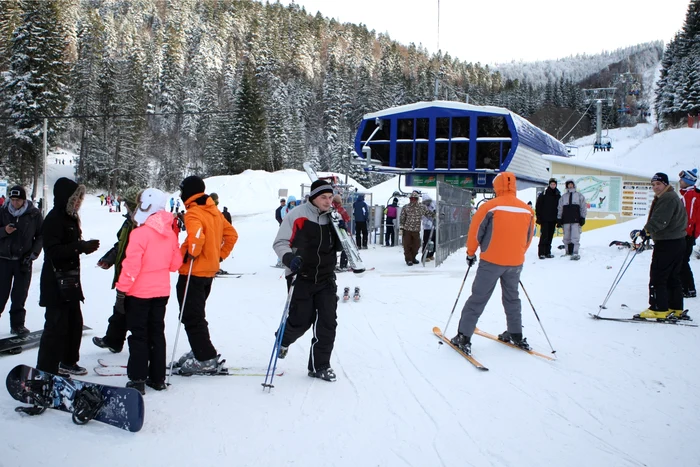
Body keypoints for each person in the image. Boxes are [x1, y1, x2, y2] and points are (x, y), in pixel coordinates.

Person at [451, 172, 535, 355]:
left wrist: (471, 252)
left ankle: (463, 336)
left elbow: (476, 231)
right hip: (515, 263)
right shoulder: (527, 210)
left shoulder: (490, 206)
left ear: (497, 186)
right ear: (514, 186)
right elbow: (529, 236)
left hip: (491, 260)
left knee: (478, 297)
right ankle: (516, 333)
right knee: (512, 298)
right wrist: (519, 253)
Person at [272, 180, 342, 382]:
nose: (328, 202)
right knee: (301, 321)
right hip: (301, 276)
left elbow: (341, 245)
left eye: (330, 198)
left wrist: (341, 231)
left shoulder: (333, 217)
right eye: (324, 198)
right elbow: (280, 242)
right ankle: (283, 339)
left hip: (326, 277)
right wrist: (289, 259)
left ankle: (320, 365)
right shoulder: (297, 215)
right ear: (313, 197)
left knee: (328, 323)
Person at [115, 188, 182, 394]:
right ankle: (157, 377)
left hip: (139, 293)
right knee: (156, 333)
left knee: (139, 335)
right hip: (161, 292)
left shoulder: (140, 234)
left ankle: (137, 379)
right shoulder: (169, 233)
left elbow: (131, 267)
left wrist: (121, 291)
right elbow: (175, 264)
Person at [171, 176, 238, 374]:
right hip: (207, 272)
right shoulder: (214, 211)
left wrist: (191, 251)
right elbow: (232, 235)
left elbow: (196, 237)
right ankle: (200, 349)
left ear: (189, 192)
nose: (181, 195)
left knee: (191, 315)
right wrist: (218, 257)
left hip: (192, 271)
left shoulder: (193, 213)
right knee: (195, 314)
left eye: (182, 191)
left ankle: (206, 357)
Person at [36, 178, 100, 376]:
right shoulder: (54, 218)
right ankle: (46, 370)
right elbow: (52, 250)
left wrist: (82, 248)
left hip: (69, 281)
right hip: (55, 282)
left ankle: (68, 361)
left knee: (74, 324)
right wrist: (79, 247)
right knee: (55, 327)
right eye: (76, 198)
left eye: (81, 198)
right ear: (67, 198)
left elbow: (68, 247)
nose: (79, 202)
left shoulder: (70, 217)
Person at [92, 186, 141, 353]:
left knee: (128, 310)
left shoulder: (141, 225)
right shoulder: (128, 222)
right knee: (120, 308)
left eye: (127, 204)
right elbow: (120, 245)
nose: (125, 206)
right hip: (125, 274)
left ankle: (139, 345)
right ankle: (114, 340)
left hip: (136, 277)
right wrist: (109, 259)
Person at [636, 173, 688, 319]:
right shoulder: (671, 196)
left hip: (668, 242)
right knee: (672, 276)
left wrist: (646, 231)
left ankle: (658, 308)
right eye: (653, 185)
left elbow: (661, 219)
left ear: (665, 184)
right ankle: (675, 307)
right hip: (677, 241)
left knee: (658, 275)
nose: (655, 187)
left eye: (658, 184)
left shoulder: (667, 198)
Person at [0, 185, 43, 335]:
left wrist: (34, 252)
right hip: (4, 259)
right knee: (1, 293)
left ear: (24, 200)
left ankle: (17, 325)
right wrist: (4, 231)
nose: (14, 203)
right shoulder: (3, 211)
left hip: (23, 260)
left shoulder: (34, 214)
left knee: (19, 295)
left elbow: (40, 235)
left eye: (18, 200)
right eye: (12, 200)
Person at [678, 169, 700, 298]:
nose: (680, 181)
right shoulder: (689, 194)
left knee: (682, 261)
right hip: (689, 233)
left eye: (682, 179)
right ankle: (687, 287)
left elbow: (689, 216)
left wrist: (685, 232)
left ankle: (688, 288)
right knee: (682, 260)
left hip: (687, 234)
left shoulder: (690, 195)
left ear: (687, 181)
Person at [399, 191, 435, 266]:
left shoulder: (421, 207)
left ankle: (413, 257)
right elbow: (402, 218)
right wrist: (401, 228)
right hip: (407, 230)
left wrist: (435, 214)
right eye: (411, 198)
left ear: (417, 199)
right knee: (407, 245)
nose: (413, 200)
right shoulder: (406, 207)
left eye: (414, 198)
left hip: (416, 230)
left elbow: (428, 213)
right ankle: (408, 259)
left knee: (416, 245)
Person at [557, 179, 587, 260]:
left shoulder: (579, 196)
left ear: (574, 185)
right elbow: (560, 208)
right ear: (566, 186)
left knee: (575, 237)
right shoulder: (563, 197)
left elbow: (583, 207)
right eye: (568, 184)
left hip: (576, 220)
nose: (570, 186)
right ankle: (567, 252)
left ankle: (575, 252)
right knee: (566, 237)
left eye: (571, 184)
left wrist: (582, 217)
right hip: (566, 220)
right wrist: (559, 219)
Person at [535, 178, 561, 259]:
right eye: (551, 184)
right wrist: (539, 217)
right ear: (549, 185)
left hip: (553, 219)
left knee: (550, 236)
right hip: (545, 219)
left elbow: (560, 208)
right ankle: (541, 252)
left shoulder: (558, 194)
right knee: (544, 236)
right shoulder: (544, 193)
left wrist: (559, 219)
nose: (553, 185)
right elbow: (538, 206)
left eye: (554, 184)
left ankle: (547, 252)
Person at [332, 194, 350, 271]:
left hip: (333, 231)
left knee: (333, 249)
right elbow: (347, 218)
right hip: (342, 231)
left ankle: (333, 264)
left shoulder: (331, 209)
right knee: (345, 247)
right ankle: (343, 264)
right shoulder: (341, 209)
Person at [421, 194, 437, 262]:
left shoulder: (434, 205)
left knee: (434, 241)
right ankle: (425, 255)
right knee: (427, 242)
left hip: (434, 227)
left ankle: (431, 254)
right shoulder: (423, 208)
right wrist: (429, 223)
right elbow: (423, 217)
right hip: (427, 227)